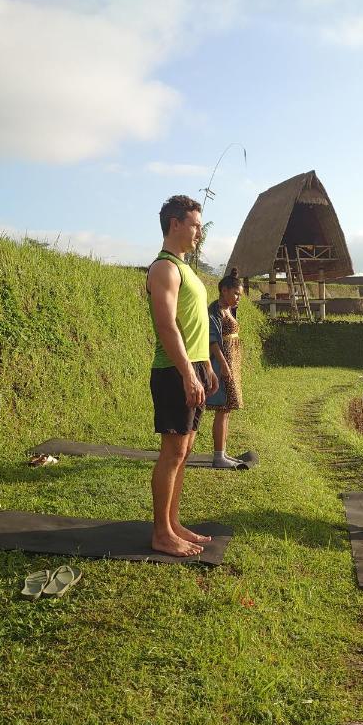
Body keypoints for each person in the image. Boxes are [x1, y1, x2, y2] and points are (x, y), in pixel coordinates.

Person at [146, 195, 218, 557]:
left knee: (185, 449)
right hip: (174, 371)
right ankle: (161, 532)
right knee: (172, 451)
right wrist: (188, 372)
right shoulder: (164, 268)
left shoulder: (184, 267)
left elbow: (195, 325)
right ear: (175, 224)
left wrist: (205, 367)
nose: (198, 232)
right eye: (194, 225)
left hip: (193, 368)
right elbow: (167, 325)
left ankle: (173, 523)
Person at [206, 268, 244, 468]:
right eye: (236, 293)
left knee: (227, 408)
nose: (238, 298)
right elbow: (212, 341)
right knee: (222, 408)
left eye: (240, 294)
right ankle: (218, 456)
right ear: (224, 290)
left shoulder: (229, 309)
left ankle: (223, 452)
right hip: (223, 363)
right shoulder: (214, 310)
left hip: (232, 362)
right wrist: (223, 365)